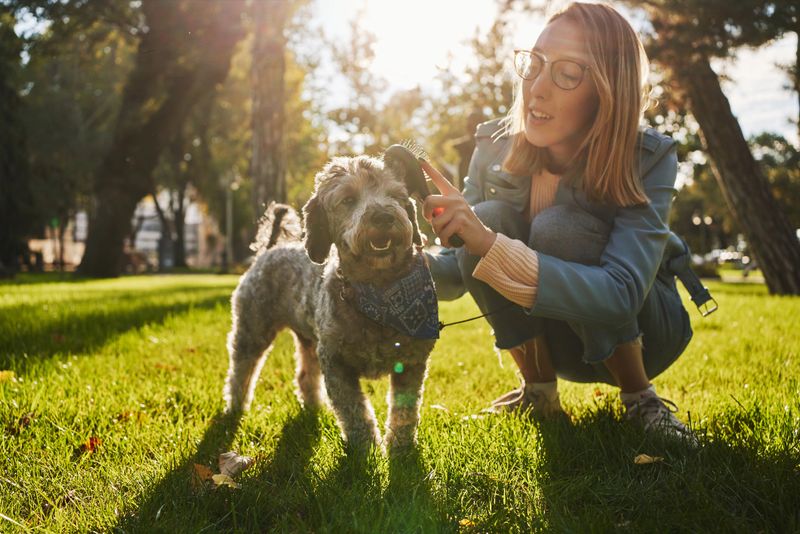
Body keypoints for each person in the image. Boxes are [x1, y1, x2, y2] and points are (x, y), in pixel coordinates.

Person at [422, 2, 707, 440]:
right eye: (534, 64)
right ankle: (538, 392)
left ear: (608, 89)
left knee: (558, 228)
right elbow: (456, 271)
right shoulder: (492, 146)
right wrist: (396, 262)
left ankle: (640, 399)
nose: (536, 88)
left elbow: (622, 294)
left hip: (647, 334)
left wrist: (488, 244)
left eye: (567, 73)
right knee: (488, 216)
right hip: (559, 341)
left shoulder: (648, 157)